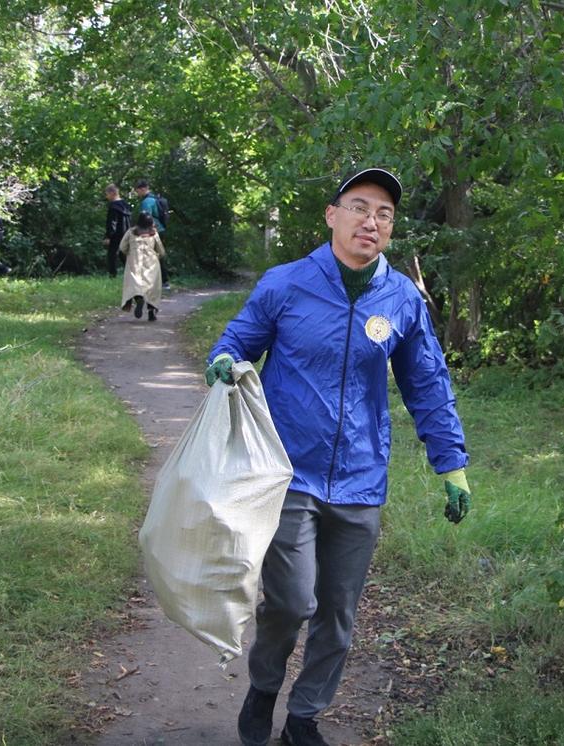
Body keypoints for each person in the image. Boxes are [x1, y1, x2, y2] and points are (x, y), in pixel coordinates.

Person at [204, 167, 471, 746]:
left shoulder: (401, 298)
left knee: (339, 614)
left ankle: (304, 717)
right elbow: (237, 340)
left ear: (391, 230)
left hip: (361, 476)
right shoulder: (286, 284)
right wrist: (223, 361)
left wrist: (451, 465)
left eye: (383, 214)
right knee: (293, 600)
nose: (370, 222)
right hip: (287, 471)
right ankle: (264, 688)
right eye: (358, 207)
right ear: (332, 215)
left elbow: (427, 383)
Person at [118, 212, 164, 322]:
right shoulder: (153, 233)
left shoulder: (131, 232)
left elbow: (122, 247)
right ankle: (151, 311)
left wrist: (130, 252)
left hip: (134, 261)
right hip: (151, 262)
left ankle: (139, 298)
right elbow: (161, 251)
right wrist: (158, 255)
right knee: (152, 287)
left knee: (135, 284)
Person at [133, 178, 171, 290]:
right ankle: (163, 282)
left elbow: (146, 219)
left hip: (153, 232)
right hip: (161, 230)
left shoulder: (146, 202)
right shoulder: (154, 198)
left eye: (138, 190)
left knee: (152, 257)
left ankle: (161, 282)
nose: (137, 193)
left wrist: (142, 233)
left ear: (143, 189)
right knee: (158, 256)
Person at [103, 184, 132, 278]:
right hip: (127, 233)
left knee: (112, 255)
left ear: (112, 193)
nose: (106, 196)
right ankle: (131, 273)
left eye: (107, 194)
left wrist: (108, 236)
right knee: (124, 254)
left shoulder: (113, 206)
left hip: (116, 234)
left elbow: (112, 222)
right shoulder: (126, 205)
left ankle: (112, 275)